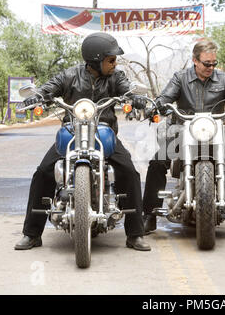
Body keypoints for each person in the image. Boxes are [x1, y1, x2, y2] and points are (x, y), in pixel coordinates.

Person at [14, 32, 150, 251]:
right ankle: (31, 234)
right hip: (73, 132)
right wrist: (39, 95)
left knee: (129, 172)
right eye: (111, 59)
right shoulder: (70, 75)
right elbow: (51, 87)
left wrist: (135, 98)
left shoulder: (116, 77)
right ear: (96, 60)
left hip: (104, 134)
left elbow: (126, 88)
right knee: (43, 173)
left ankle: (135, 234)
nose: (115, 64)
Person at [142, 40, 225, 239]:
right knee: (157, 162)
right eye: (206, 64)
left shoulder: (223, 79)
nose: (211, 68)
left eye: (214, 63)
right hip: (183, 131)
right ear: (195, 60)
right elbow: (166, 96)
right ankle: (149, 215)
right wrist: (158, 105)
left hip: (214, 133)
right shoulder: (180, 78)